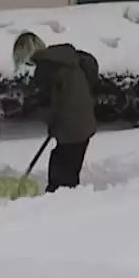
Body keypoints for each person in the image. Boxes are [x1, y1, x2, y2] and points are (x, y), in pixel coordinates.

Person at [13, 31, 99, 193]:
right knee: (70, 173)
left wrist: (39, 112)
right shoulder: (63, 60)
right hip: (84, 125)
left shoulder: (46, 69)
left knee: (59, 179)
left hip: (71, 129)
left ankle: (55, 206)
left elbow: (48, 103)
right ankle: (68, 202)